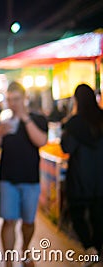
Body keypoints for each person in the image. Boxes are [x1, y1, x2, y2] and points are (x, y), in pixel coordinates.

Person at [0, 81, 48, 267]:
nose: (13, 103)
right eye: (9, 100)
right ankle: (8, 262)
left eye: (16, 99)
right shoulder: (3, 121)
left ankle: (25, 250)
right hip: (7, 178)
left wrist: (25, 118)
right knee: (8, 221)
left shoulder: (37, 119)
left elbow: (41, 141)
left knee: (29, 222)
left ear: (25, 98)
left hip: (30, 179)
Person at [60, 84, 103, 262]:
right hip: (100, 177)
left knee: (77, 213)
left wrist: (70, 119)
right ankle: (97, 247)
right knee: (99, 215)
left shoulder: (74, 123)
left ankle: (89, 247)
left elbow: (66, 147)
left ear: (76, 100)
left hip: (80, 177)